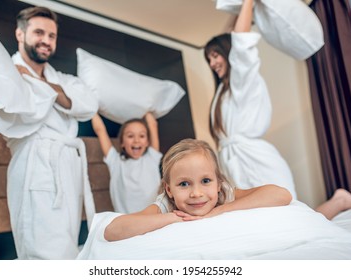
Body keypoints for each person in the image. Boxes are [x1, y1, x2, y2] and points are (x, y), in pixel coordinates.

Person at [6, 6, 98, 259]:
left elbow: (89, 105)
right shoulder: (7, 73)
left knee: (66, 241)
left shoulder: (64, 79)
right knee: (42, 246)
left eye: (52, 35)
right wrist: (56, 93)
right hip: (35, 161)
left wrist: (41, 83)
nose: (46, 40)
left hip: (67, 163)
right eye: (39, 32)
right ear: (20, 34)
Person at [104, 138, 292, 241]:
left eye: (206, 181)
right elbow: (113, 230)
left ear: (218, 183)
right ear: (169, 190)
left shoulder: (223, 194)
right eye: (184, 184)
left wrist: (221, 209)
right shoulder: (166, 204)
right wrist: (173, 217)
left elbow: (282, 195)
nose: (196, 193)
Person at [204, 0, 297, 198]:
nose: (212, 63)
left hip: (256, 162)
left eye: (215, 56)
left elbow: (240, 43)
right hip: (235, 162)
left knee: (285, 217)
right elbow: (230, 37)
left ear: (228, 53)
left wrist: (248, 2)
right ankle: (340, 200)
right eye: (209, 59)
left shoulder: (243, 81)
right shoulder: (223, 90)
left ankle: (340, 201)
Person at [91, 112, 162, 213]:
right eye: (130, 136)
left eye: (141, 136)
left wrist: (145, 107)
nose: (136, 140)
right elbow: (100, 130)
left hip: (154, 217)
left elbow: (152, 125)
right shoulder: (115, 162)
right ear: (122, 143)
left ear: (147, 142)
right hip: (126, 221)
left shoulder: (151, 158)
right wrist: (92, 110)